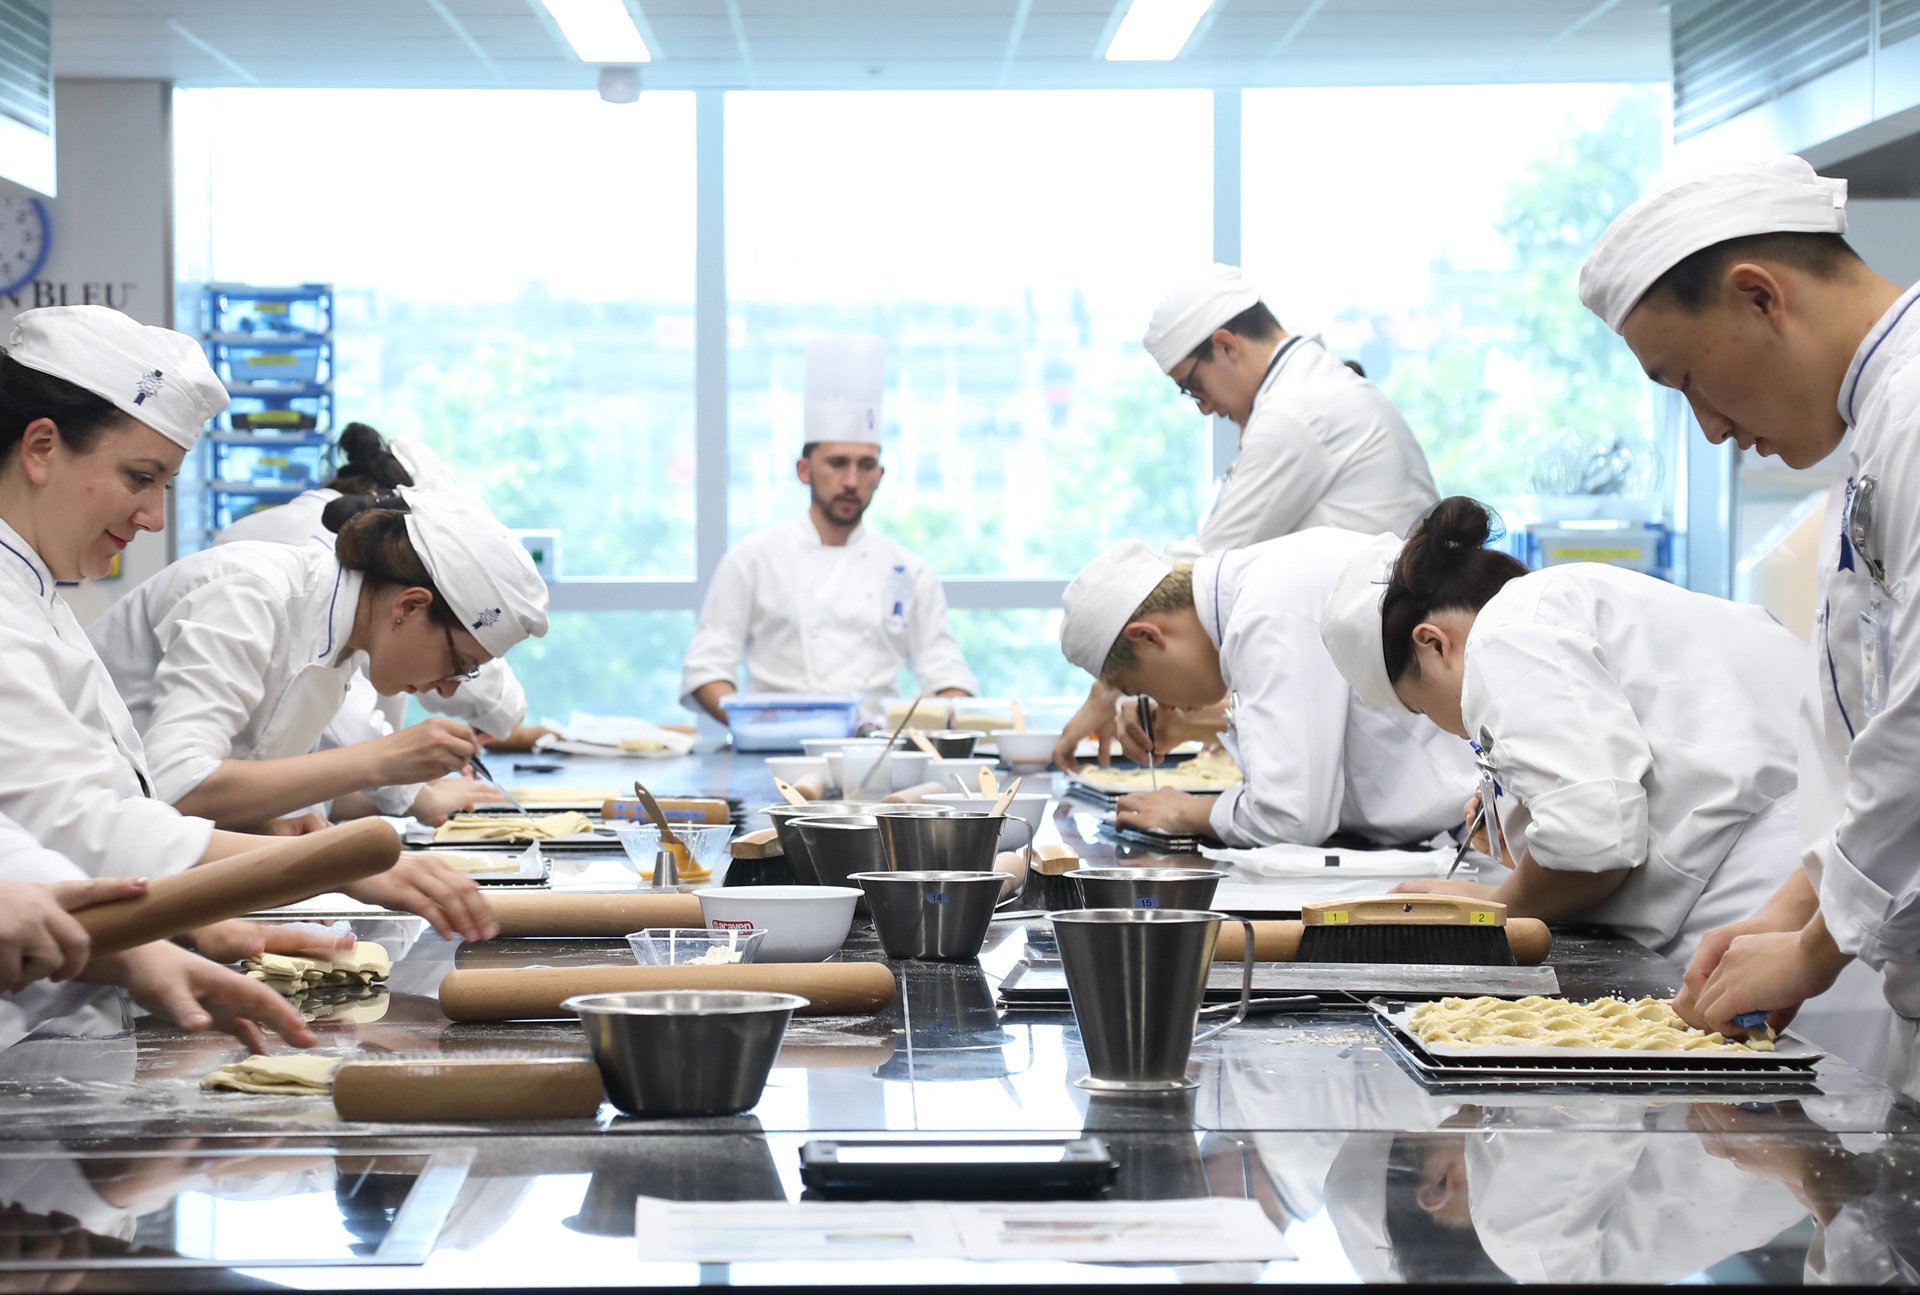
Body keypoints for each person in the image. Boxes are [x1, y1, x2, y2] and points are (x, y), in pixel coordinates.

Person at [1576, 153, 1920, 1096]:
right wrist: (1792, 909)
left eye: (1687, 378)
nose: (1712, 429)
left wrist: (1810, 949)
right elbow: (1872, 733)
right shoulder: (1884, 420)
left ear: (1760, 296)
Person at [0, 304, 497, 945]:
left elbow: (109, 815)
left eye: (166, 487)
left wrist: (277, 854)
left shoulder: (40, 596)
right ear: (41, 449)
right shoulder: (17, 605)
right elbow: (82, 827)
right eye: (139, 477)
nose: (153, 517)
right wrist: (320, 865)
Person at [1317, 496, 1802, 961]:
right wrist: (1529, 814)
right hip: (1798, 878)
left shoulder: (1506, 633)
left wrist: (1492, 903)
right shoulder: (1557, 600)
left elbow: (1592, 844)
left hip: (1757, 901)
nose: (1442, 725)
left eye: (1419, 708)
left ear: (1433, 644)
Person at [1051, 265, 1439, 770]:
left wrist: (1111, 685)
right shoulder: (1311, 391)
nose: (1204, 408)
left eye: (1193, 386)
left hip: (1390, 705)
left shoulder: (1295, 414)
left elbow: (1198, 577)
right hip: (1386, 682)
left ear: (1227, 346)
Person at [89, 488, 549, 834]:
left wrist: (283, 823)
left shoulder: (341, 646)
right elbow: (175, 784)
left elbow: (250, 777)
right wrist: (383, 761)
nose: (448, 688)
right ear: (409, 607)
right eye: (458, 662)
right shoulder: (250, 593)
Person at [1055, 531, 1471, 847]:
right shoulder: (1266, 580)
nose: (1162, 704)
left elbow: (1290, 818)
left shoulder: (1265, 613)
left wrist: (1184, 810)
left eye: (1138, 686)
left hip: (1474, 830)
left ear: (1148, 636)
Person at [217, 421, 537, 786]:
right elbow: (343, 728)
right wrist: (411, 789)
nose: (449, 686)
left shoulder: (355, 600)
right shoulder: (325, 571)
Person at [680, 336, 976, 721]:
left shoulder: (909, 571)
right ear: (804, 471)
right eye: (837, 463)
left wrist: (949, 714)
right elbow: (707, 668)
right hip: (772, 755)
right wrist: (755, 724)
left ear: (880, 475)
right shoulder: (753, 560)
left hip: (878, 752)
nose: (852, 480)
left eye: (866, 466)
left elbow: (946, 672)